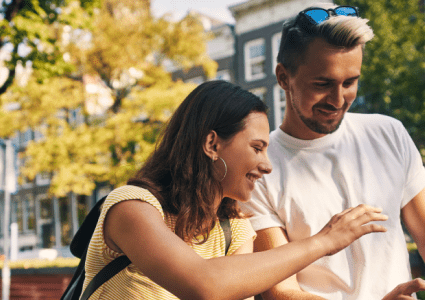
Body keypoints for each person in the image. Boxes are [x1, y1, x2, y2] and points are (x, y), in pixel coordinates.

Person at [238, 5, 425, 300]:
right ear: (283, 77)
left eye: (350, 82)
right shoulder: (257, 167)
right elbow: (280, 290)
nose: (338, 99)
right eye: (322, 84)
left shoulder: (388, 133)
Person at [81, 80, 389, 300]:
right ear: (212, 144)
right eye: (257, 148)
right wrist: (324, 241)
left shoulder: (235, 229)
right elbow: (205, 285)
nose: (267, 165)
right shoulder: (132, 208)